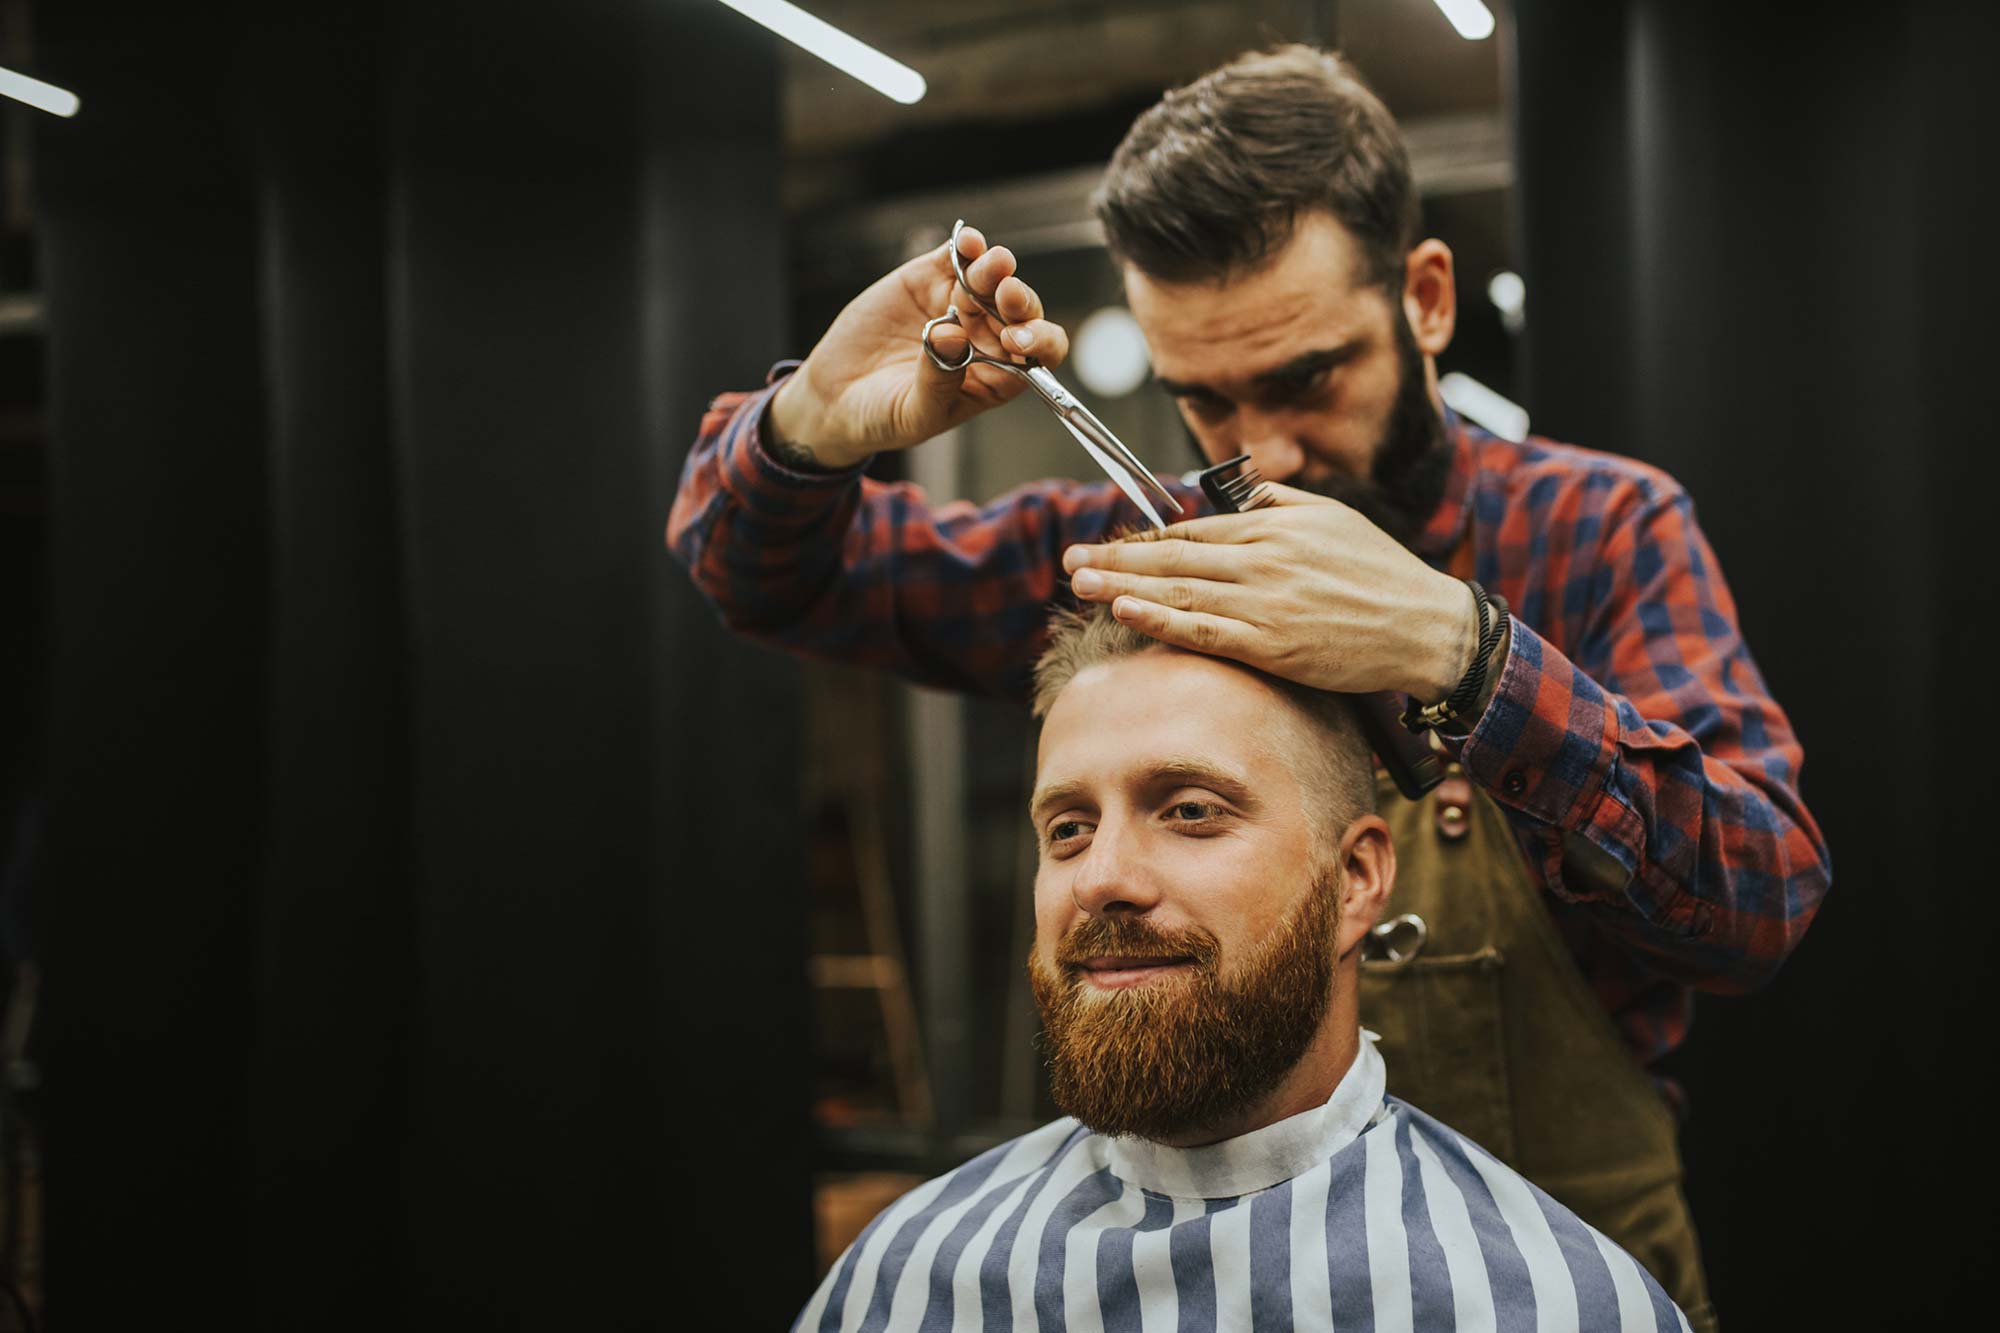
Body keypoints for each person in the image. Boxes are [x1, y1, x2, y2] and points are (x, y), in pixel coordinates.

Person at [675, 45, 1825, 1324]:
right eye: (1201, 400)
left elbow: (1760, 893)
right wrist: (812, 426)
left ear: (1426, 300)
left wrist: (1460, 651)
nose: (1258, 452)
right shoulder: (1135, 548)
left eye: (1305, 379)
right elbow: (764, 574)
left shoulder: (1597, 530)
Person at [795, 604, 1690, 1332]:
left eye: (1188, 809)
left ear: (1354, 880)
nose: (1102, 877)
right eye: (1067, 827)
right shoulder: (909, 1278)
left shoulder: (1555, 1304)